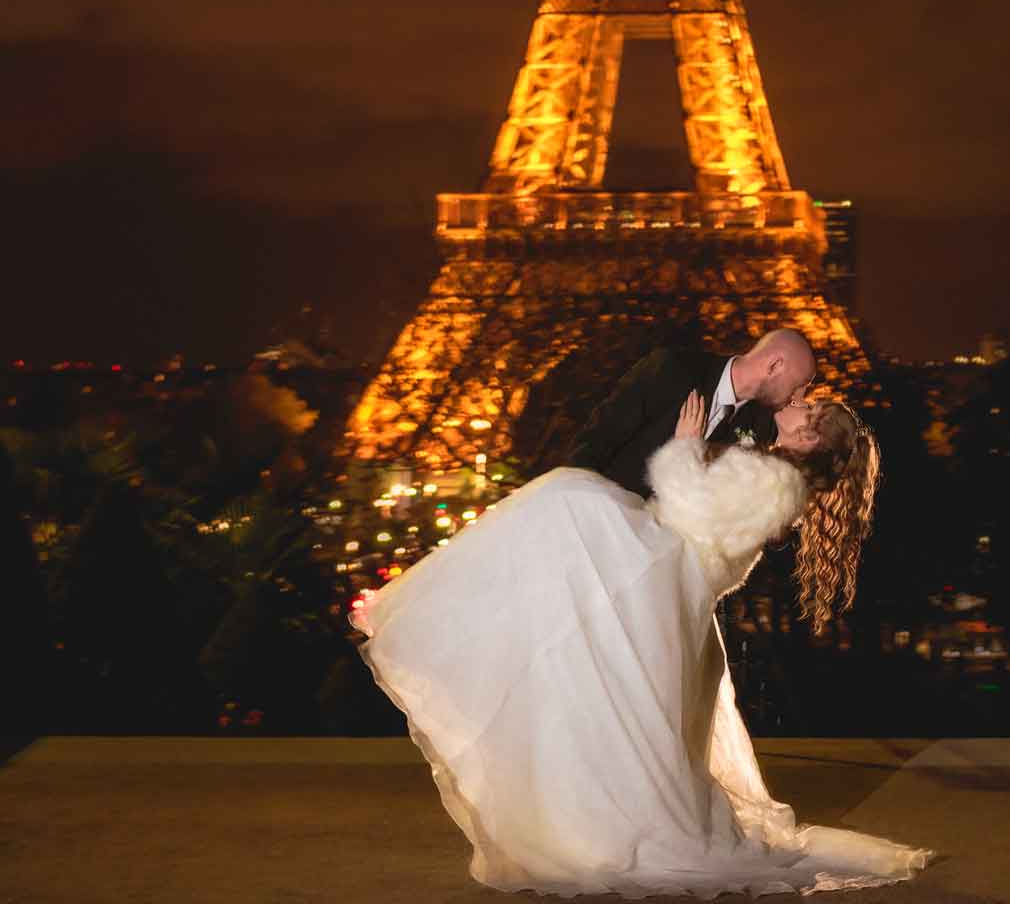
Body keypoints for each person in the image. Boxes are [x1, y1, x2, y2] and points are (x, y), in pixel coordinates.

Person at [351, 383, 936, 895]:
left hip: (659, 565)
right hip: (667, 579)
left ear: (809, 438)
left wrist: (684, 446)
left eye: (809, 408)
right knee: (594, 684)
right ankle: (588, 824)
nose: (798, 403)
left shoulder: (773, 479)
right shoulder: (780, 481)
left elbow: (687, 506)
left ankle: (428, 617)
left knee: (567, 500)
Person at [565, 328, 817, 496]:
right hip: (604, 519)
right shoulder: (671, 369)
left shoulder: (760, 426)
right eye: (798, 386)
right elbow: (596, 441)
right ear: (774, 365)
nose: (799, 398)